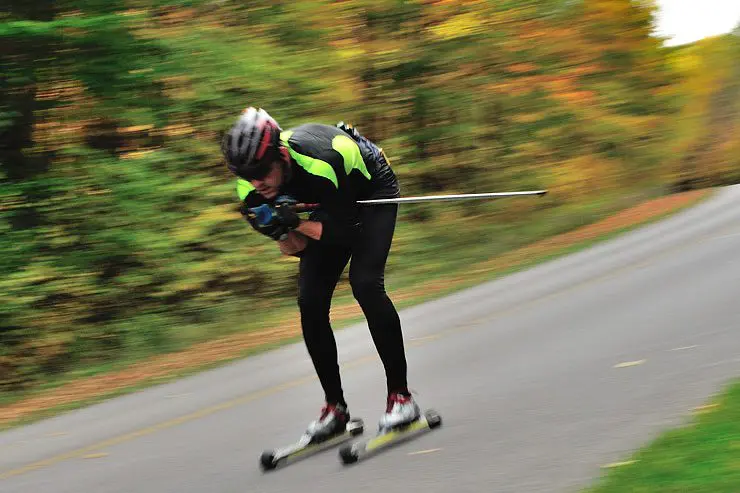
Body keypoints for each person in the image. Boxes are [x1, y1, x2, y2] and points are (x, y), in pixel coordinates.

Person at [221, 107, 421, 439]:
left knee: (366, 284)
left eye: (261, 171)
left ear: (281, 155)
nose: (256, 181)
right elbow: (295, 249)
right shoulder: (251, 190)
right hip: (323, 206)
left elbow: (346, 235)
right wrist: (280, 231)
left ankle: (401, 398)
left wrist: (297, 220)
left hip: (369, 188)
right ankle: (335, 409)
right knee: (310, 302)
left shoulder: (319, 162)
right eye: (246, 174)